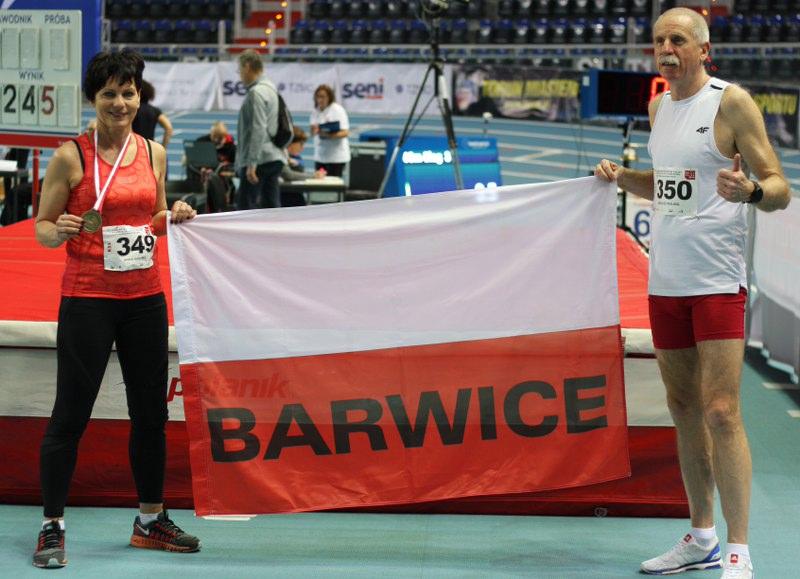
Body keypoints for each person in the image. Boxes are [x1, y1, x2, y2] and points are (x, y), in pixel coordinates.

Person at [594, 8, 790, 579]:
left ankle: (739, 549)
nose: (666, 49)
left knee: (722, 411)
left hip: (717, 283)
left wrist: (751, 191)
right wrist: (620, 177)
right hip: (667, 281)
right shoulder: (658, 108)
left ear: (704, 49)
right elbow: (669, 187)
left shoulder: (731, 102)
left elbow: (779, 187)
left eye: (677, 39)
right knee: (682, 409)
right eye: (659, 40)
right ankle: (702, 537)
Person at [32, 49, 200, 569]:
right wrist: (58, 230)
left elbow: (152, 217)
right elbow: (42, 227)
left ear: (139, 97)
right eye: (109, 94)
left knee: (151, 415)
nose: (120, 103)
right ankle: (52, 525)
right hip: (88, 299)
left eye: (128, 93)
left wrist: (175, 214)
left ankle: (150, 520)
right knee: (70, 414)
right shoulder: (71, 157)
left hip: (144, 300)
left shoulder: (154, 152)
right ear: (93, 98)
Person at [235, 49, 286, 209]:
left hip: (260, 160)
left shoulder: (256, 93)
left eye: (240, 70)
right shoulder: (271, 88)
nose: (240, 75)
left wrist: (252, 164)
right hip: (274, 157)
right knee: (271, 208)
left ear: (247, 66)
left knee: (245, 209)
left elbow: (258, 129)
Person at [309, 84, 351, 177]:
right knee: (319, 182)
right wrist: (314, 131)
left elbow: (345, 132)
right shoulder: (315, 111)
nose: (320, 99)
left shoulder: (337, 110)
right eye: (318, 96)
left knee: (333, 183)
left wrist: (328, 135)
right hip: (320, 156)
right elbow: (312, 133)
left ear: (329, 97)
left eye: (323, 97)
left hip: (336, 157)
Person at [280, 126, 326, 207]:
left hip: (291, 195)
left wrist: (295, 163)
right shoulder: (279, 155)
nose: (302, 148)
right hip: (282, 196)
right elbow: (289, 175)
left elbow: (300, 171)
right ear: (290, 143)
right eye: (301, 144)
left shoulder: (296, 158)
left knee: (299, 199)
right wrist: (314, 175)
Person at [131, 80, 173, 148]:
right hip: (150, 148)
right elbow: (169, 128)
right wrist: (164, 147)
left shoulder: (131, 110)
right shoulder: (154, 110)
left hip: (134, 147)